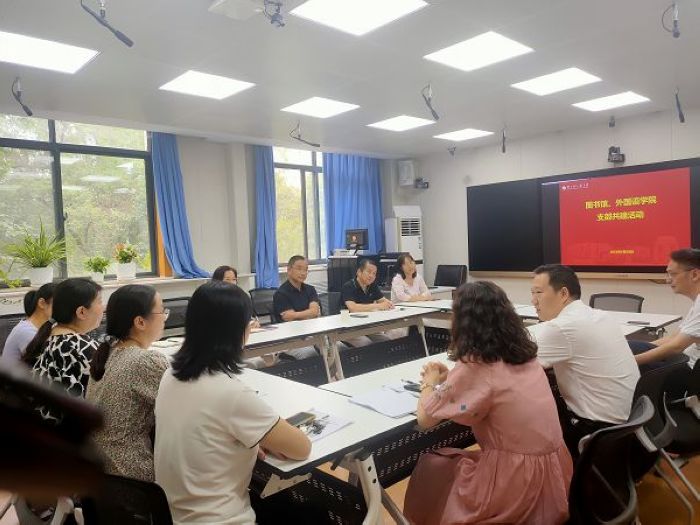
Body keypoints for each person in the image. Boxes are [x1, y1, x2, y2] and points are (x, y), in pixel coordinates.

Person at [405, 281, 572, 525]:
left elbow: (425, 419)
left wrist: (429, 383)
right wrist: (452, 378)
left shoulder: (477, 364)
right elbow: (490, 387)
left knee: (433, 466)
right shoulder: (525, 356)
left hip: (516, 484)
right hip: (554, 474)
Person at [155, 281, 311, 524]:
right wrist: (258, 436)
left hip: (174, 516)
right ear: (238, 331)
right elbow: (302, 448)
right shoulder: (229, 392)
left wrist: (250, 438)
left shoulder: (170, 376)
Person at [529, 264, 640, 457]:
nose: (533, 300)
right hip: (632, 428)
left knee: (526, 402)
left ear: (563, 293)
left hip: (596, 436)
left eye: (538, 292)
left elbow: (512, 362)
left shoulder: (562, 328)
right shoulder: (601, 315)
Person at [86, 285, 169, 482]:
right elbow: (182, 409)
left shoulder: (106, 353)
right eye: (162, 311)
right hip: (132, 475)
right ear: (140, 322)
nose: (165, 317)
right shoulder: (145, 361)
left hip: (101, 474)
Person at [22, 278, 104, 423]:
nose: (104, 307)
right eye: (100, 301)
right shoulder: (81, 347)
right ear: (81, 312)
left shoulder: (49, 336)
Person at [635, 248, 700, 372]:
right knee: (632, 347)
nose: (668, 280)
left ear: (694, 275)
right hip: (683, 362)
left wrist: (631, 361)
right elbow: (673, 338)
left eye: (673, 274)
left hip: (689, 371)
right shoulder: (697, 302)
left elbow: (676, 346)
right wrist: (639, 349)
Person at [272, 255, 320, 360]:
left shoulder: (310, 289)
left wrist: (296, 315)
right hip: (290, 338)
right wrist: (308, 314)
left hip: (311, 333)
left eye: (306, 270)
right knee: (310, 354)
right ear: (289, 270)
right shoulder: (281, 294)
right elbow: (288, 318)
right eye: (299, 268)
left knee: (336, 347)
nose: (303, 273)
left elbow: (315, 311)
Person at [1, 283, 55, 364]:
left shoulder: (46, 326)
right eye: (59, 304)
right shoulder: (26, 332)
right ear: (42, 303)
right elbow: (49, 363)